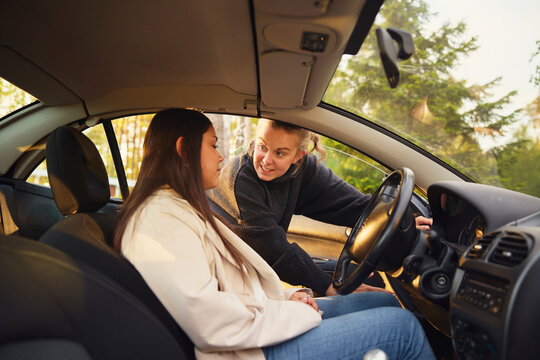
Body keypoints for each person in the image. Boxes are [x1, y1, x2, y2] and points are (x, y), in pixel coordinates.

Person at [114, 108, 435, 360]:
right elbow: (209, 320)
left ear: (298, 156)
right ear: (184, 149)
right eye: (213, 145)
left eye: (280, 153)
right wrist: (295, 311)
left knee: (387, 307)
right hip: (246, 352)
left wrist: (287, 297)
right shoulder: (159, 219)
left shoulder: (177, 207)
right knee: (403, 329)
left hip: (254, 327)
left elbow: (226, 284)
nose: (222, 155)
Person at [208, 119, 433, 296]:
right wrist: (328, 286)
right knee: (362, 290)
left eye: (280, 153)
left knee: (366, 278)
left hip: (260, 271)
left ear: (299, 156)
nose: (266, 160)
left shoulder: (303, 170)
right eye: (262, 146)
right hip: (235, 279)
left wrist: (401, 217)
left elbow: (350, 204)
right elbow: (273, 250)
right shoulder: (240, 181)